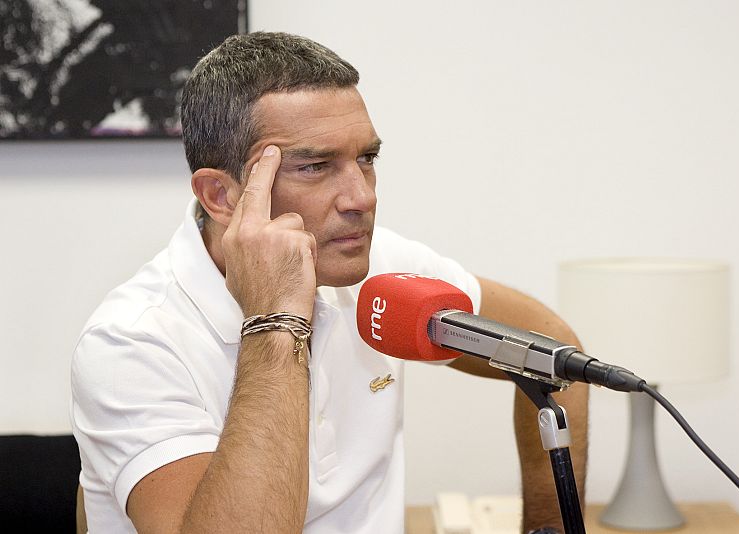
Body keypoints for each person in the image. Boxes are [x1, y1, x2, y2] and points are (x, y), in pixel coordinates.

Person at [71, 31, 588, 533]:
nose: (362, 197)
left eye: (367, 158)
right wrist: (276, 317)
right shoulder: (130, 342)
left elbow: (552, 353)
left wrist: (546, 527)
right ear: (221, 197)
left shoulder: (379, 262)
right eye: (316, 166)